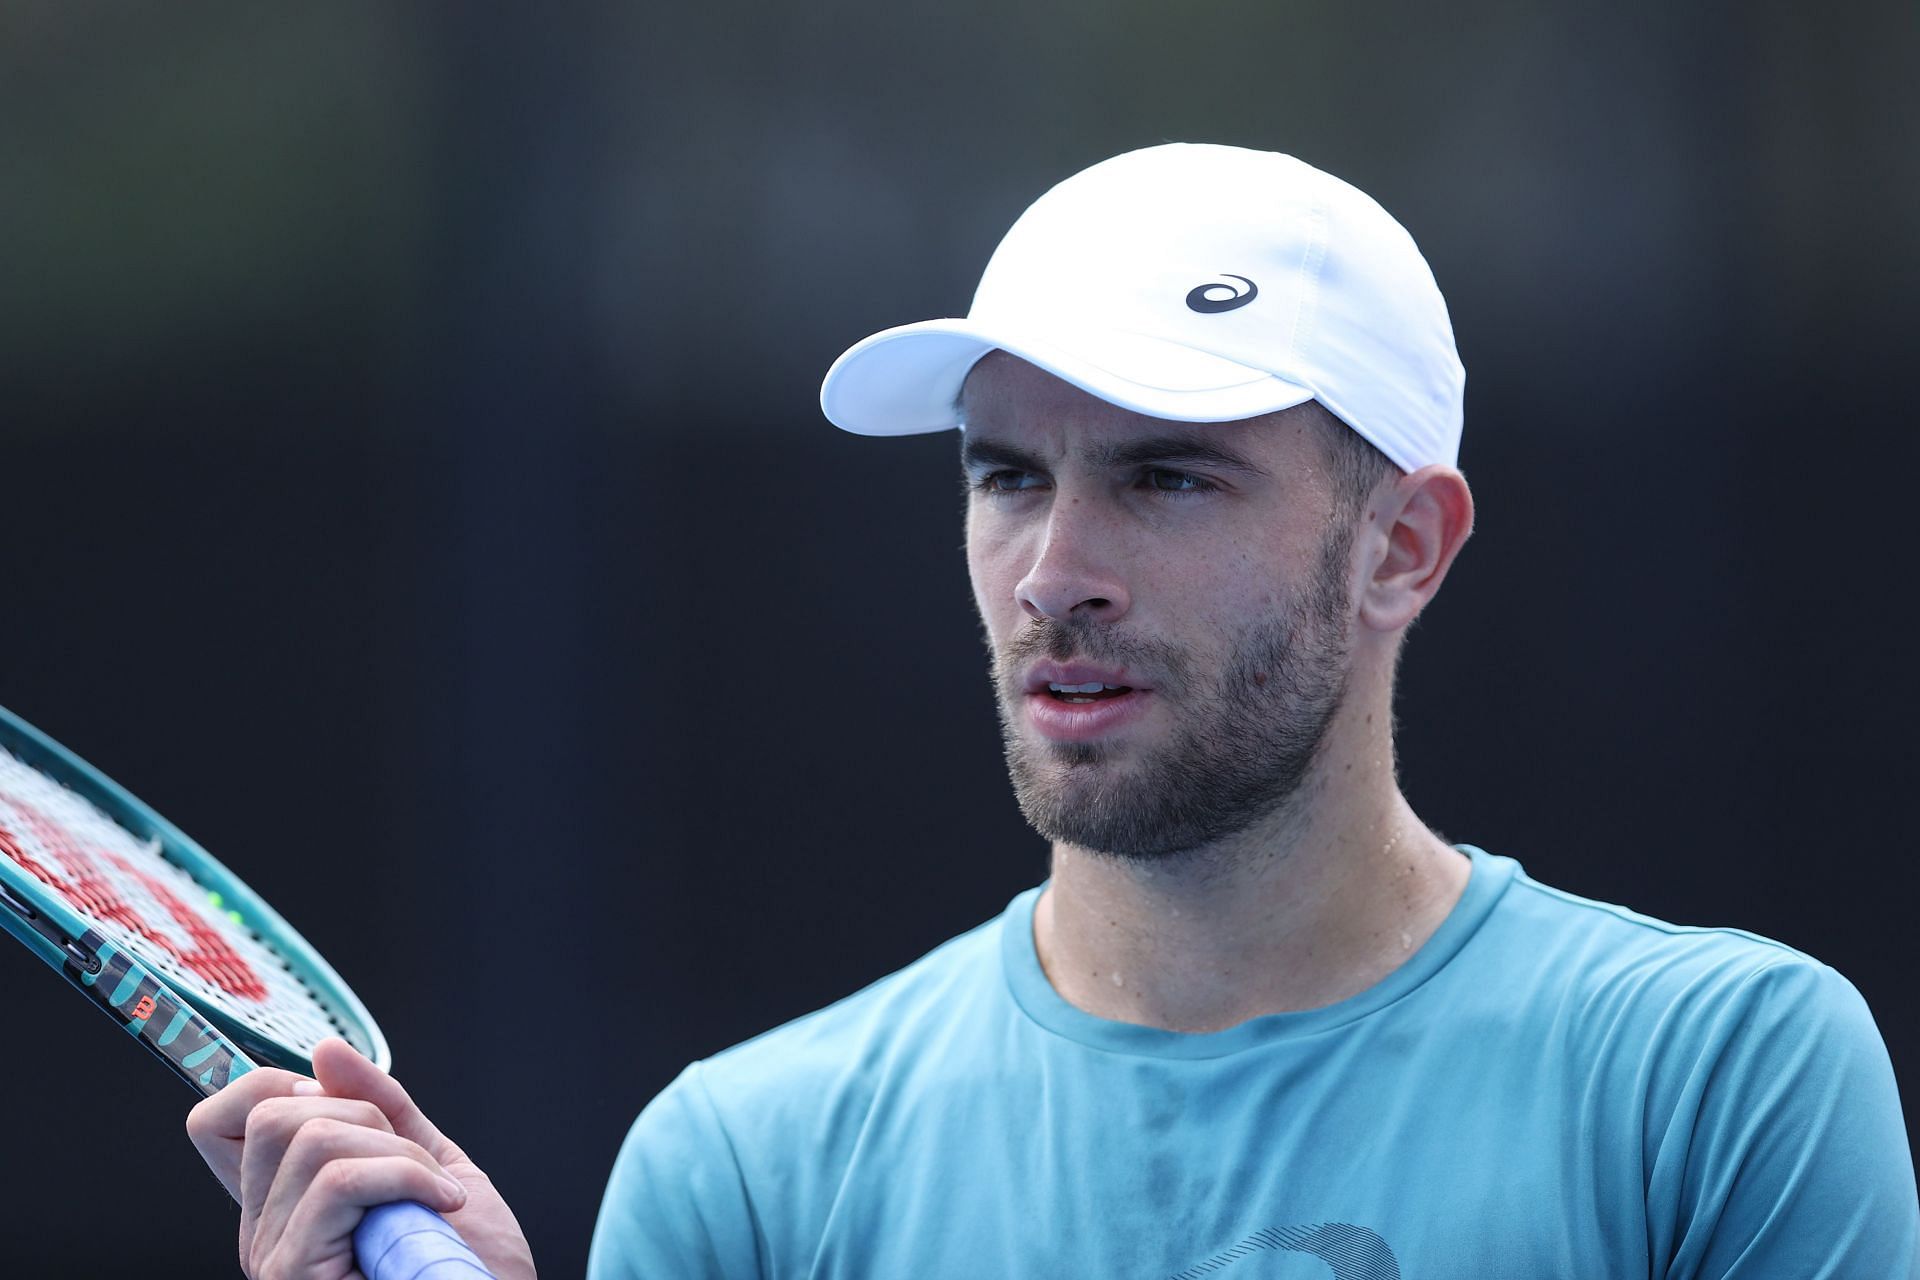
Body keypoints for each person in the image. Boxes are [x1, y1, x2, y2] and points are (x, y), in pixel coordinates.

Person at [187, 143, 1919, 1278]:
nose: (1053, 571)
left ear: (1401, 547)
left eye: (1168, 481)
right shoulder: (746, 1167)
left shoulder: (1721, 1078)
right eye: (1008, 475)